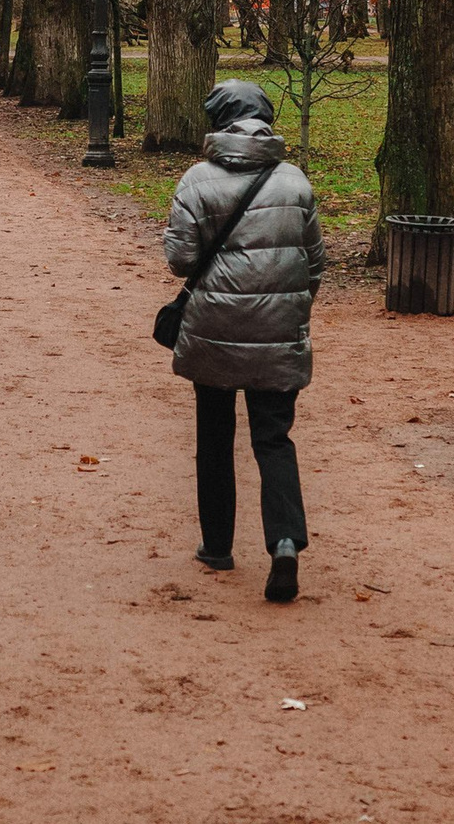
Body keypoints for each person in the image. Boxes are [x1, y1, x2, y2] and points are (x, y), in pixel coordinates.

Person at [163, 79, 324, 603]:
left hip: (214, 327)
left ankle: (217, 547)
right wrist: (288, 307)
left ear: (219, 122)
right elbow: (315, 263)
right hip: (279, 328)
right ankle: (283, 544)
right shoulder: (294, 181)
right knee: (273, 438)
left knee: (213, 433)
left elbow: (181, 260)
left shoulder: (197, 180)